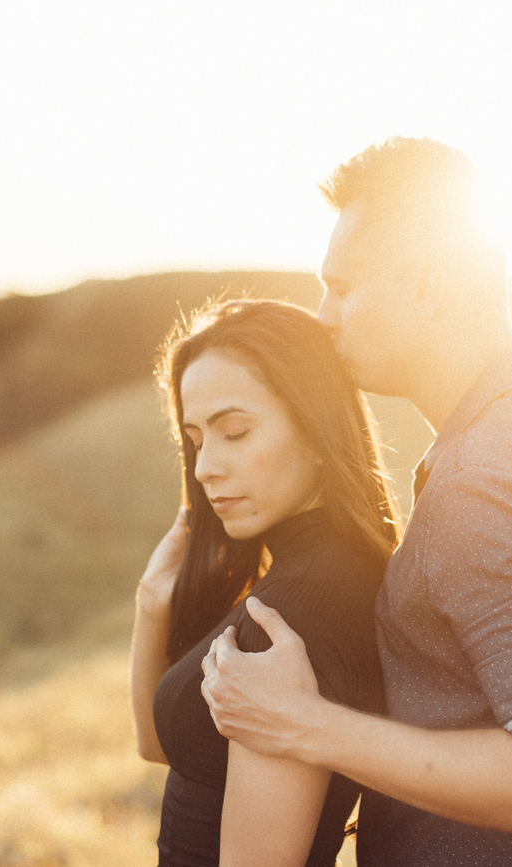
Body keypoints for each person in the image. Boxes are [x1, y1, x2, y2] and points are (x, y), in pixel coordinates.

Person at [200, 138, 512, 866]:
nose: (324, 315)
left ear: (425, 286)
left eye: (343, 287)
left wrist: (308, 725)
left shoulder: (494, 472)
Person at [130, 298, 401, 866]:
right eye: (197, 440)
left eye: (235, 431)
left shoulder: (295, 615)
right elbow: (164, 747)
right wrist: (153, 601)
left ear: (316, 426)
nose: (205, 468)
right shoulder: (310, 581)